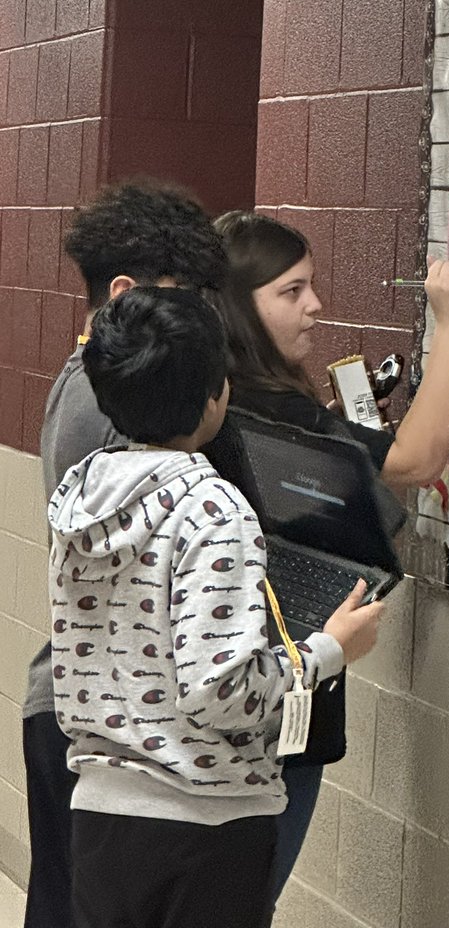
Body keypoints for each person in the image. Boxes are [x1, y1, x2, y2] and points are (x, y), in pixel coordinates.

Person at [50, 286, 382, 928]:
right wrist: (328, 651)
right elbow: (220, 692)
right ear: (215, 394)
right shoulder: (214, 510)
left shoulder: (82, 497)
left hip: (100, 814)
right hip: (205, 827)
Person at [209, 210, 449, 897]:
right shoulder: (272, 410)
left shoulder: (211, 400)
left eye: (312, 286)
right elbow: (417, 460)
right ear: (241, 306)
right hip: (276, 690)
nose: (315, 306)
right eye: (291, 291)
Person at [24, 180, 230, 928]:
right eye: (189, 299)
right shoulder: (117, 412)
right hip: (103, 727)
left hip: (79, 706)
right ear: (122, 294)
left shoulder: (84, 383)